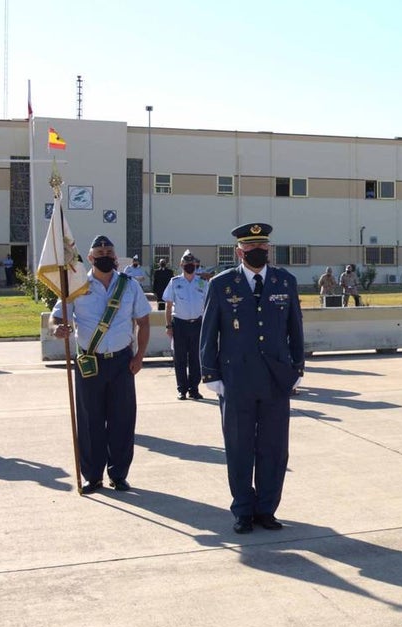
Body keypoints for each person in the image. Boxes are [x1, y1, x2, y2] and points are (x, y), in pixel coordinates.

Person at [201, 222, 305, 534]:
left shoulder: (284, 281)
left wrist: (297, 369)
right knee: (238, 445)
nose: (257, 252)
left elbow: (295, 329)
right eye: (250, 248)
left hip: (275, 378)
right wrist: (211, 374)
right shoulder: (222, 285)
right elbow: (209, 332)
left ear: (268, 249)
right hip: (237, 379)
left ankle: (266, 510)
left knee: (273, 448)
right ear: (239, 251)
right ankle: (243, 510)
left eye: (262, 247)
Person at [49, 235, 152, 493]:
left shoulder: (129, 286)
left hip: (121, 363)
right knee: (90, 420)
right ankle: (92, 476)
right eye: (100, 252)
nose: (105, 255)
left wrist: (139, 357)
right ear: (91, 258)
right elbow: (56, 318)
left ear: (115, 257)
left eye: (109, 251)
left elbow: (144, 322)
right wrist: (57, 330)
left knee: (122, 420)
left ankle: (118, 474)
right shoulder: (77, 285)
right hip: (89, 363)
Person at [163, 250, 208, 401]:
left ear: (196, 264)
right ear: (181, 265)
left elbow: (208, 306)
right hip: (180, 325)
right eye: (186, 264)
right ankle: (182, 389)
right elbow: (168, 306)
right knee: (180, 358)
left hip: (197, 324)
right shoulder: (175, 282)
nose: (189, 266)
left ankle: (194, 389)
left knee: (196, 358)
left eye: (192, 264)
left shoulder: (202, 282)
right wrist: (168, 326)